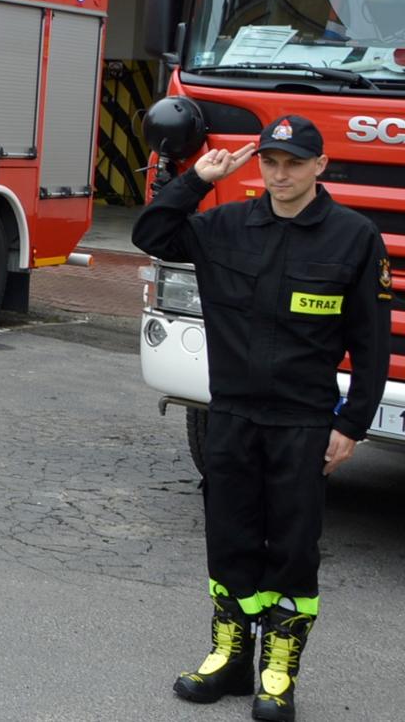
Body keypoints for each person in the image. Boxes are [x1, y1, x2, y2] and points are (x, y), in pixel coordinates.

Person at [132, 115, 388, 722]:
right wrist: (196, 178)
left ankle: (279, 670)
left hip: (302, 423)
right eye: (271, 162)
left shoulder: (354, 238)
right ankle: (229, 658)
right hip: (232, 417)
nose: (280, 174)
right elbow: (151, 231)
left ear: (320, 166)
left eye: (294, 163)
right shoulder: (225, 225)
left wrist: (351, 425)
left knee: (294, 548)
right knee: (230, 540)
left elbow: (373, 344)